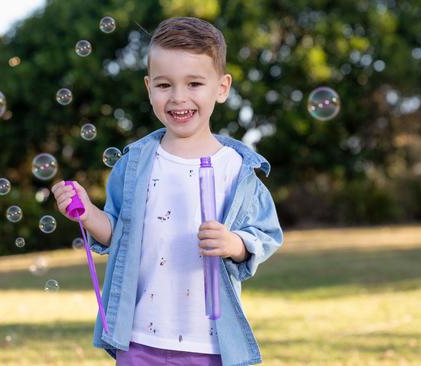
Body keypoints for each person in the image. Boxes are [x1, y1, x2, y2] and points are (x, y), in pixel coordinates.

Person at [51, 16, 283, 366]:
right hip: (139, 338)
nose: (178, 98)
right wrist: (87, 212)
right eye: (164, 85)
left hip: (210, 343)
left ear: (221, 88)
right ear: (148, 87)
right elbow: (117, 234)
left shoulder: (237, 169)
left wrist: (234, 244)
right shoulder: (134, 163)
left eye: (194, 83)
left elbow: (266, 234)